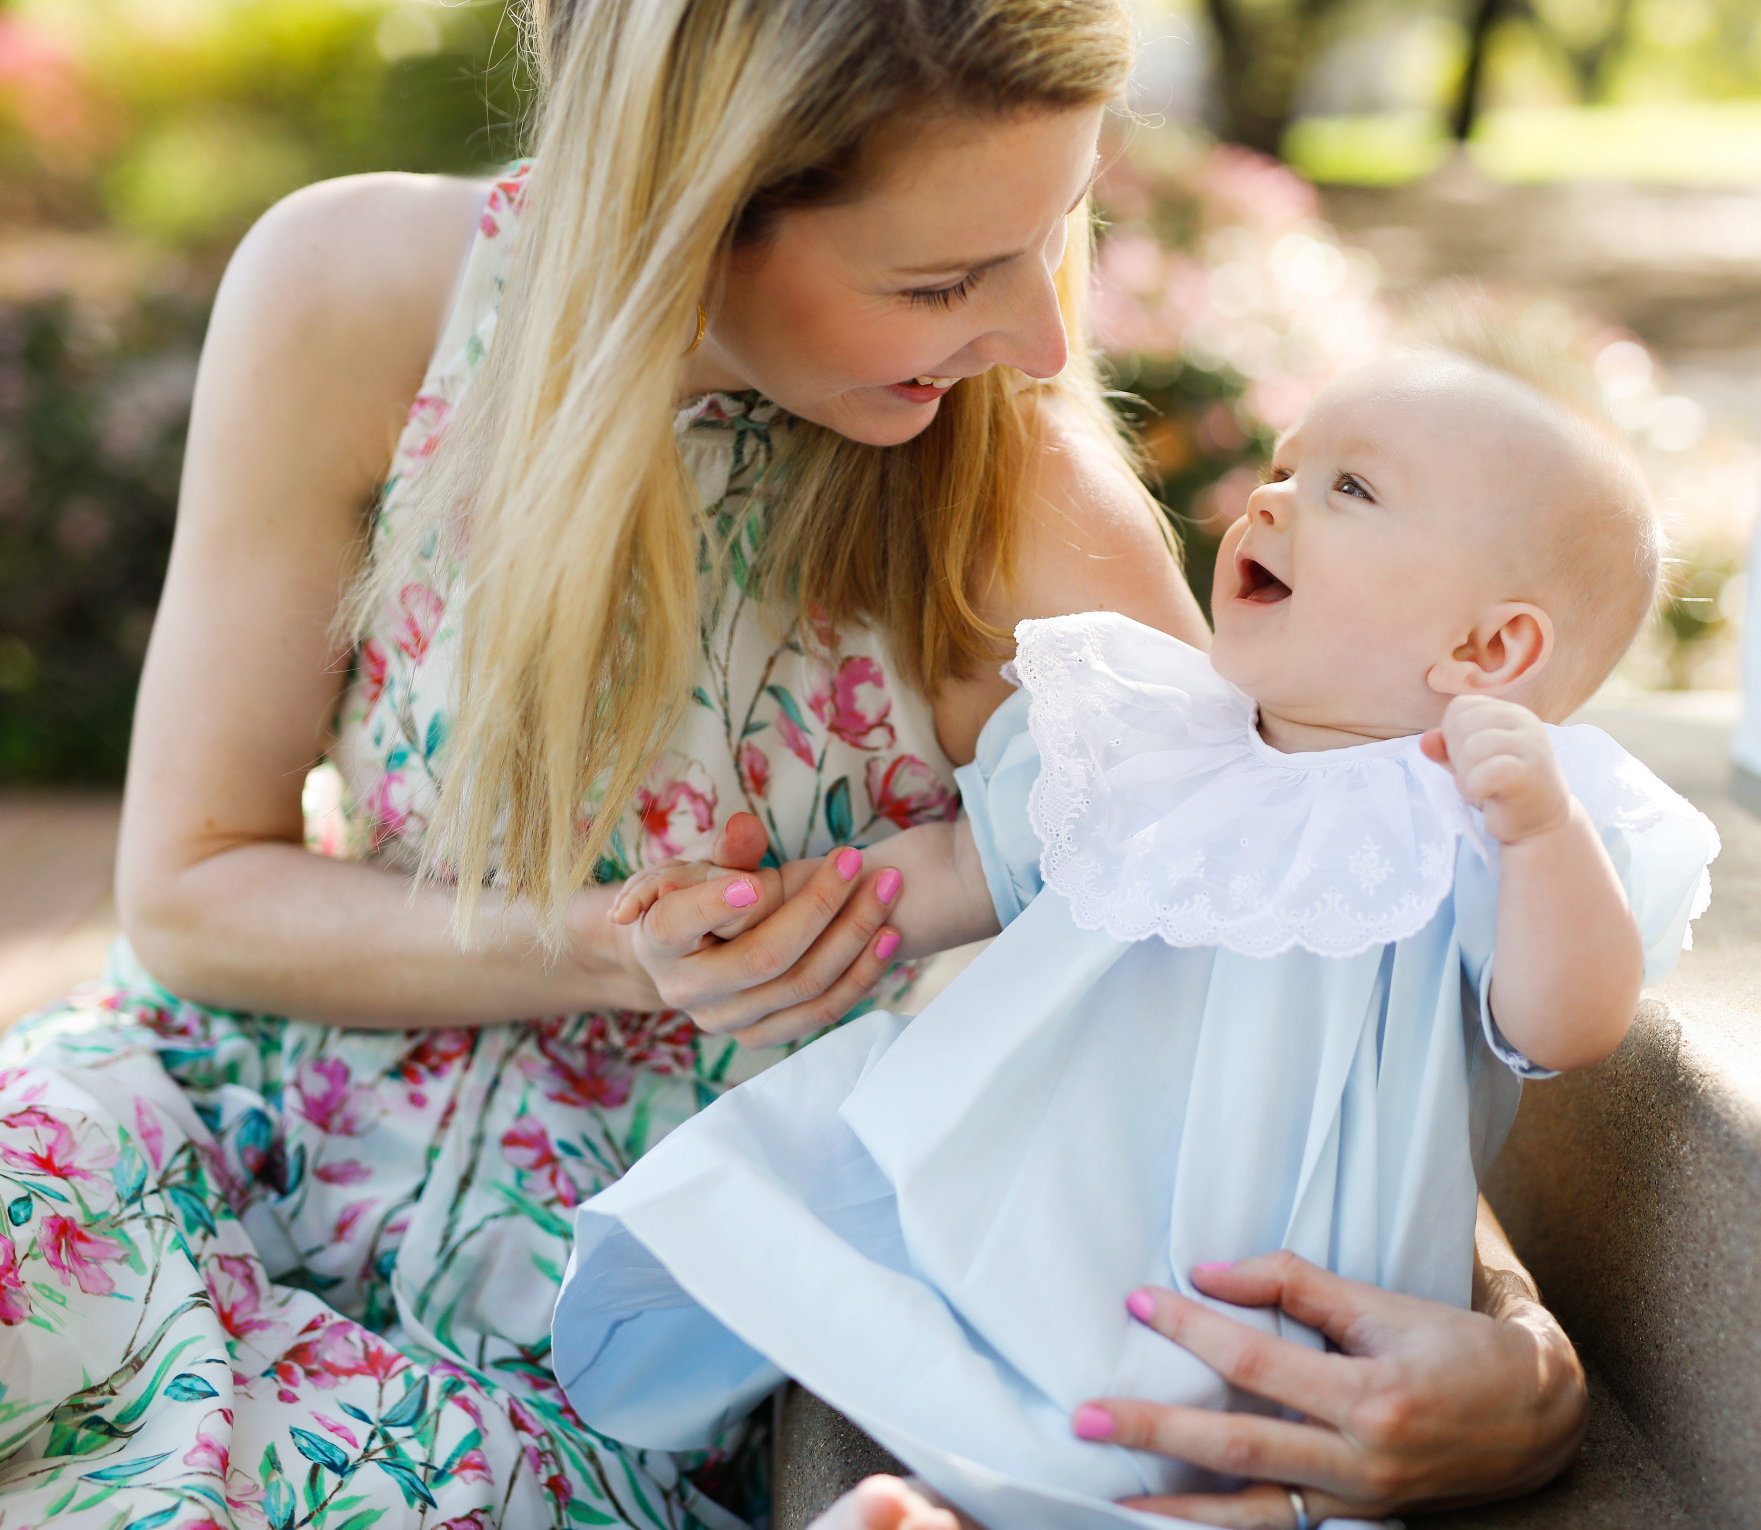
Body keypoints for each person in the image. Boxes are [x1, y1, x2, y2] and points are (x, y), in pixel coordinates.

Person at [0, 4, 1587, 1529]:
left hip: (577, 1349)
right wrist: (595, 948)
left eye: (1056, 234)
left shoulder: (1017, 505)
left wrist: (1521, 1362)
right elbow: (191, 889)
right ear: (689, 213)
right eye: (944, 274)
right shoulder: (359, 295)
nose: (1041, 340)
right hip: (169, 1126)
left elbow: (1317, 960)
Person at [554, 334, 1718, 1527]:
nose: (1270, 498)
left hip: (1264, 1259)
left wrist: (1538, 836)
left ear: (1486, 652)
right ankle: (942, 1493)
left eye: (1348, 489)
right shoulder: (1158, 726)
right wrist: (786, 905)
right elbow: (972, 857)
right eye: (1284, 465)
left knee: (1175, 1430)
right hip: (1055, 1183)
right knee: (947, 1308)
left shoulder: (1469, 818)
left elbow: (1562, 1026)